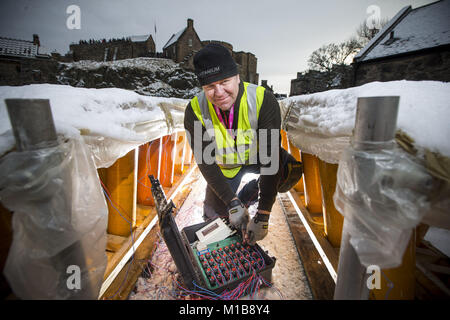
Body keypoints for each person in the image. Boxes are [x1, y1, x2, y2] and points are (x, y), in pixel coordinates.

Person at [184, 43, 302, 245]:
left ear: (238, 77)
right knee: (213, 218)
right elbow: (205, 162)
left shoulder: (262, 100)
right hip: (226, 167)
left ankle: (253, 192)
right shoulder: (195, 110)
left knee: (287, 168)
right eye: (210, 86)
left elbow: (269, 159)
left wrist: (264, 214)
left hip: (258, 158)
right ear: (202, 87)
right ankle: (239, 199)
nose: (219, 92)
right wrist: (231, 203)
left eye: (224, 81)